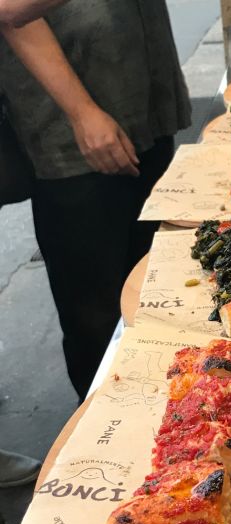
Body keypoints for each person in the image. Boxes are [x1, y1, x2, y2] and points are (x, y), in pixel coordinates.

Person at [0, 1, 190, 399]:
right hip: (70, 123)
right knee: (95, 310)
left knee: (155, 285)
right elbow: (10, 11)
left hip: (143, 100)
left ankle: (165, 408)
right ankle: (102, 429)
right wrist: (81, 112)